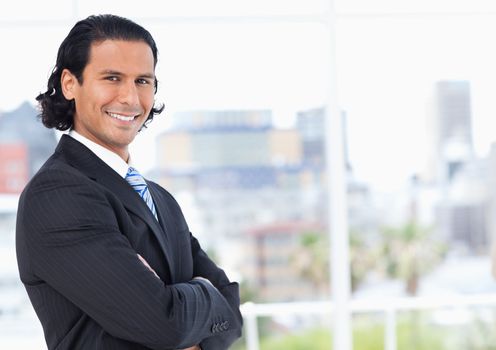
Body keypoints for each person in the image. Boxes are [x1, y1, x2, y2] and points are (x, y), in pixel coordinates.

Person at [16, 14, 242, 350]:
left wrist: (179, 309)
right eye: (112, 78)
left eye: (142, 81)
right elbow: (164, 325)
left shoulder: (160, 199)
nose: (130, 99)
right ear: (69, 83)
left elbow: (232, 314)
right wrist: (197, 298)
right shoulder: (59, 194)